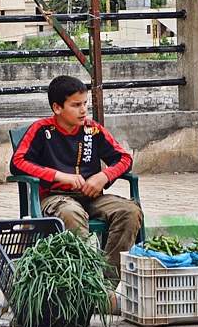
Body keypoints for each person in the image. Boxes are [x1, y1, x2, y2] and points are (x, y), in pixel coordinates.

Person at [10, 75, 142, 290]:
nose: (83, 110)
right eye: (76, 105)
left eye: (85, 104)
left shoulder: (93, 130)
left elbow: (124, 158)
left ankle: (104, 287)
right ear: (57, 107)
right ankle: (82, 283)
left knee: (129, 211)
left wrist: (104, 176)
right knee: (72, 214)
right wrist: (58, 176)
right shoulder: (42, 131)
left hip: (92, 197)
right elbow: (17, 163)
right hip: (55, 198)